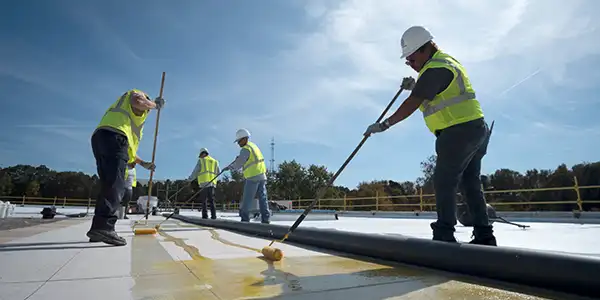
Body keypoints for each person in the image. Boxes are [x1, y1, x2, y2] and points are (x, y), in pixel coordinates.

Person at [363, 25, 497, 246]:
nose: (410, 64)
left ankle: (444, 234)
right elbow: (437, 93)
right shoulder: (445, 63)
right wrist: (417, 85)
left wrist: (385, 124)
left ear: (424, 49)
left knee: (445, 180)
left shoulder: (435, 68)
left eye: (411, 59)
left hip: (457, 131)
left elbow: (414, 103)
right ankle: (485, 235)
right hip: (475, 129)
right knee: (469, 182)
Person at [89, 89, 164, 246]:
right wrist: (155, 105)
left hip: (101, 138)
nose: (146, 110)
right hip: (114, 138)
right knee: (116, 185)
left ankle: (98, 229)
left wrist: (144, 164)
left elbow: (128, 151)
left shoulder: (123, 121)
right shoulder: (135, 97)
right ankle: (105, 227)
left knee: (108, 184)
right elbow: (138, 101)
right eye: (147, 108)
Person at [222, 128, 271, 223]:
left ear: (244, 139)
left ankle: (245, 219)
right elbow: (249, 159)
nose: (238, 144)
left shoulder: (245, 149)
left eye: (239, 141)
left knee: (247, 199)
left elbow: (239, 164)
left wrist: (229, 167)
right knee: (263, 198)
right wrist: (239, 159)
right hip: (261, 175)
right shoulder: (253, 146)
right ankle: (266, 219)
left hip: (253, 176)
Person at [187, 147, 220, 219]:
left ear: (202, 154)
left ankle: (205, 216)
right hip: (212, 184)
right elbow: (218, 172)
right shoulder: (215, 161)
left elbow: (195, 171)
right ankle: (213, 216)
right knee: (212, 200)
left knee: (204, 200)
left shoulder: (201, 161)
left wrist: (190, 179)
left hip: (204, 184)